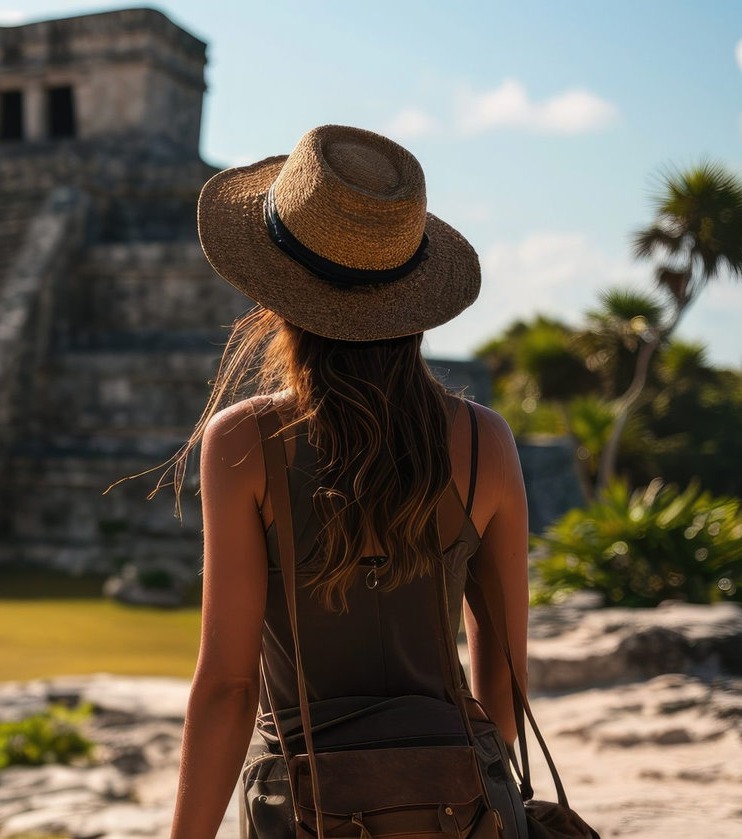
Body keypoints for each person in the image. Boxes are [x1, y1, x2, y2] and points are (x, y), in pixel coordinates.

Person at [155, 125, 533, 837]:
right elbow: (505, 680)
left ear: (278, 292)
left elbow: (229, 687)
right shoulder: (488, 442)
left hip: (309, 810)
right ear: (415, 298)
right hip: (467, 806)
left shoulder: (243, 440)